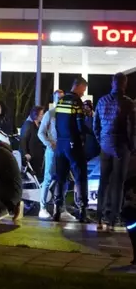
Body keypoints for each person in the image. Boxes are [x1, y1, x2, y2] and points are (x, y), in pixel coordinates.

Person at [94, 72, 136, 232]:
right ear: (124, 84)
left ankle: (99, 217)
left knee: (103, 182)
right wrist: (132, 147)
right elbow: (131, 128)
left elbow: (95, 125)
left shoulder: (102, 101)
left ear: (112, 83)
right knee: (118, 184)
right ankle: (112, 220)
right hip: (121, 146)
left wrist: (101, 141)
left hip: (105, 145)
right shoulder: (128, 103)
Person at [54, 77, 91, 223]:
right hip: (73, 143)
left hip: (60, 144)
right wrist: (90, 133)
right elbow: (80, 125)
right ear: (79, 86)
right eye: (83, 90)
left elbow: (57, 122)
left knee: (60, 177)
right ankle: (82, 211)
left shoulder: (61, 101)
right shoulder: (76, 102)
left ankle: (57, 209)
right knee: (80, 175)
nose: (83, 93)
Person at [37, 91, 76, 221]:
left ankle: (59, 207)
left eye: (62, 98)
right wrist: (50, 144)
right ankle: (42, 208)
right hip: (52, 151)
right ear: (54, 99)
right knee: (48, 178)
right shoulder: (50, 113)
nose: (60, 100)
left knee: (63, 179)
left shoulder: (66, 114)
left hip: (64, 150)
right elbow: (40, 133)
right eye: (58, 98)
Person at [20, 106, 45, 180]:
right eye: (41, 114)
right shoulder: (28, 125)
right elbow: (23, 139)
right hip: (31, 157)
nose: (42, 116)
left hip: (38, 156)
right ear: (35, 115)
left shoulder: (39, 125)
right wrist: (25, 153)